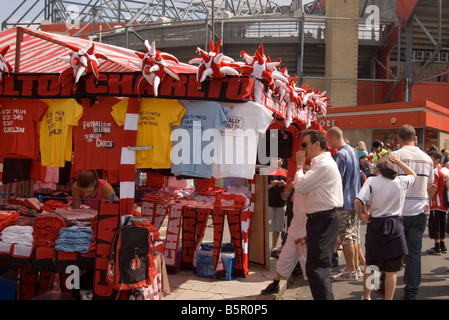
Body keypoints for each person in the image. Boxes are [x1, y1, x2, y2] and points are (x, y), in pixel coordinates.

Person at [356, 155, 416, 300]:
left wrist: (360, 216)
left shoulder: (372, 181)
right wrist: (400, 162)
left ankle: (367, 296)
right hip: (395, 224)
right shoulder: (402, 181)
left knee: (372, 266)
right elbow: (413, 175)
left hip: (376, 224)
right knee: (391, 270)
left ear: (378, 169)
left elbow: (359, 200)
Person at [294, 129, 343, 300]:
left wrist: (299, 166)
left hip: (323, 219)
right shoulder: (320, 164)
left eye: (304, 144)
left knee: (317, 268)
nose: (302, 148)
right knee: (316, 267)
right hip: (320, 219)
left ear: (317, 144)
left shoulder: (324, 164)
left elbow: (299, 187)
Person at [389, 124, 434, 300]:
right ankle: (411, 290)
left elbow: (388, 183)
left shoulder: (395, 156)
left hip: (398, 211)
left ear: (399, 139)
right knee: (414, 252)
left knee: (392, 251)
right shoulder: (427, 159)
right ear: (415, 138)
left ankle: (385, 285)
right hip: (419, 210)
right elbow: (430, 185)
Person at [260, 176, 308, 295]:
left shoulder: (311, 190)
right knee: (284, 258)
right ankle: (275, 283)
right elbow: (286, 196)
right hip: (294, 230)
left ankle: (316, 288)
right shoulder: (296, 188)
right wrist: (290, 187)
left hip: (306, 232)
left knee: (307, 262)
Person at [325, 127, 362, 281]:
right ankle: (355, 268)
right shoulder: (353, 150)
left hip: (344, 202)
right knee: (352, 236)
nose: (327, 143)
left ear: (332, 138)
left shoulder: (340, 155)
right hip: (355, 200)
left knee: (346, 237)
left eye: (327, 140)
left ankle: (351, 269)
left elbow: (336, 179)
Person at [426, 151, 448, 255]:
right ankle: (442, 245)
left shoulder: (435, 171)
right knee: (442, 223)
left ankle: (437, 246)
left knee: (435, 224)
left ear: (437, 160)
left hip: (437, 201)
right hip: (443, 202)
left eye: (432, 159)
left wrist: (429, 199)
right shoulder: (444, 170)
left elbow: (434, 187)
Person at [267, 158, 288, 258]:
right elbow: (262, 187)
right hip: (269, 203)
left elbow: (289, 187)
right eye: (275, 158)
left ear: (282, 161)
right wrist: (272, 185)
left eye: (279, 159)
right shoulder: (266, 171)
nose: (277, 161)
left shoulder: (285, 172)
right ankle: (264, 247)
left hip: (281, 203)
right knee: (267, 226)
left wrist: (284, 184)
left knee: (278, 227)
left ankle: (274, 248)